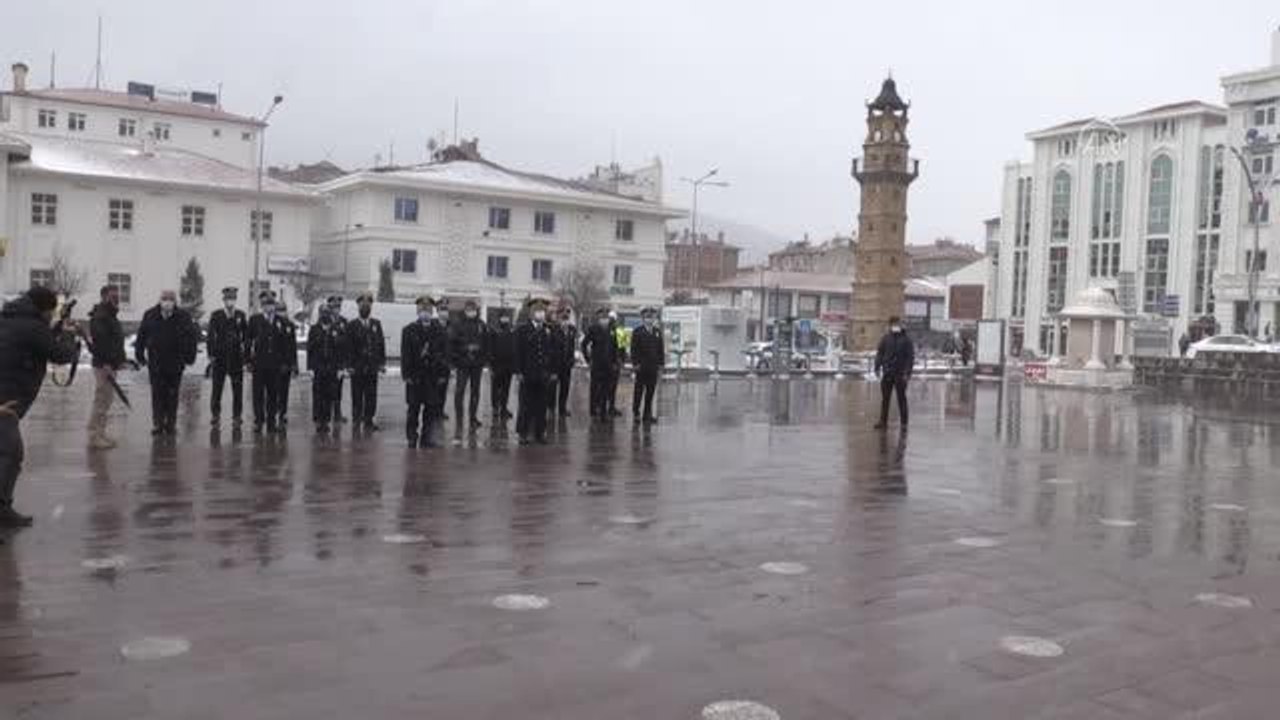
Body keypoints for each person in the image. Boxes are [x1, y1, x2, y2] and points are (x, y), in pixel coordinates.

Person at [0, 287, 81, 527]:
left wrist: (54, 330)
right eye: (51, 310)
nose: (51, 314)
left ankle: (3, 508)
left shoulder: (12, 319)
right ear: (43, 308)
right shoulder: (32, 327)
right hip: (6, 401)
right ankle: (1, 510)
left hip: (6, 398)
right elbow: (60, 354)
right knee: (9, 455)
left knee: (9, 455)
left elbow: (36, 342)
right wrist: (67, 334)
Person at [134, 290, 197, 437]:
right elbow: (141, 336)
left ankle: (170, 424)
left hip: (175, 364)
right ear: (160, 300)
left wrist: (190, 357)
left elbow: (191, 338)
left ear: (175, 302)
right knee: (157, 394)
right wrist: (140, 355)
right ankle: (157, 423)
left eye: (171, 299)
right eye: (165, 299)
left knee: (172, 395)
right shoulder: (150, 315)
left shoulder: (183, 317)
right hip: (156, 363)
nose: (168, 302)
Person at [402, 296, 450, 448]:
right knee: (413, 410)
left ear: (432, 311)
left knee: (430, 410)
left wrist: (443, 374)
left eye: (428, 309)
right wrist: (406, 375)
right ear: (417, 310)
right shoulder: (409, 330)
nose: (425, 312)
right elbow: (405, 355)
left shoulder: (440, 331)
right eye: (422, 309)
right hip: (415, 377)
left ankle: (426, 437)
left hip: (432, 377)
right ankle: (411, 436)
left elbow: (445, 354)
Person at [87, 284, 127, 449]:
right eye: (112, 296)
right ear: (103, 297)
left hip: (110, 364)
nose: (116, 298)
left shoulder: (110, 315)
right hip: (104, 365)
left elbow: (116, 341)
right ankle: (95, 435)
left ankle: (100, 433)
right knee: (102, 400)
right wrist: (107, 363)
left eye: (117, 295)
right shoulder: (101, 316)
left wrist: (120, 359)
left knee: (106, 400)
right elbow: (102, 343)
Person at [247, 293, 291, 433]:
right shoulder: (255, 320)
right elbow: (248, 342)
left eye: (271, 304)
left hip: (275, 365)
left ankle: (271, 421)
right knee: (258, 394)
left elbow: (285, 344)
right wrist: (247, 360)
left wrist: (285, 362)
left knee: (273, 394)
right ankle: (258, 421)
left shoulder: (281, 321)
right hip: (259, 364)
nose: (269, 307)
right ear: (262, 306)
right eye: (266, 304)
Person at [206, 286, 249, 427]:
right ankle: (215, 415)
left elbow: (246, 336)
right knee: (217, 389)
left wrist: (245, 354)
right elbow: (211, 336)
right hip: (220, 357)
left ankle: (237, 416)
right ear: (224, 300)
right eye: (228, 299)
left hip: (236, 358)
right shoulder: (216, 315)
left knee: (238, 390)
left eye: (233, 298)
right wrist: (211, 354)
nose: (230, 301)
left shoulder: (240, 315)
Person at [516, 298, 555, 444]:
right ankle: (523, 433)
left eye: (543, 312)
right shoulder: (523, 329)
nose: (541, 314)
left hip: (542, 374)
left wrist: (550, 371)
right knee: (525, 405)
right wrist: (519, 371)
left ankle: (540, 433)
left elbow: (551, 352)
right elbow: (518, 352)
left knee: (541, 405)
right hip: (527, 373)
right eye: (538, 312)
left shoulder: (547, 330)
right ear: (532, 313)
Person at [346, 293, 385, 431]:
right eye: (363, 305)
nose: (365, 307)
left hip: (372, 366)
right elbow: (348, 347)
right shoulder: (351, 325)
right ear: (358, 307)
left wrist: (381, 363)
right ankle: (357, 419)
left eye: (368, 305)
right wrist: (349, 365)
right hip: (357, 367)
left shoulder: (376, 324)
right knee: (357, 395)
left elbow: (380, 344)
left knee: (371, 394)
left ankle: (369, 419)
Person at [307, 304, 347, 433]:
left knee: (329, 395)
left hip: (332, 367)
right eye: (322, 312)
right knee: (318, 395)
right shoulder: (314, 329)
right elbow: (310, 350)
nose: (325, 315)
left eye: (326, 312)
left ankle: (326, 420)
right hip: (318, 367)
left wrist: (341, 368)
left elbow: (341, 350)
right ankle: (319, 420)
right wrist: (310, 368)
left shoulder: (336, 329)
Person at [449, 299, 488, 429]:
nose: (471, 312)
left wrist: (480, 352)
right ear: (465, 310)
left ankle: (473, 418)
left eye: (473, 310)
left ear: (476, 311)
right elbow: (453, 343)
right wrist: (466, 348)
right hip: (462, 363)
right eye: (469, 310)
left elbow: (487, 343)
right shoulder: (458, 324)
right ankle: (459, 418)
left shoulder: (481, 324)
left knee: (475, 392)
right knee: (459, 391)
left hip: (477, 364)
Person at [873, 316, 915, 431]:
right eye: (893, 324)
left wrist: (907, 372)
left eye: (897, 323)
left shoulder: (906, 340)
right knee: (885, 398)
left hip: (900, 374)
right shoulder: (886, 338)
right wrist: (877, 367)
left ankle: (904, 422)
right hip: (888, 372)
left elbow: (910, 358)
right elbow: (880, 353)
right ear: (890, 325)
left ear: (901, 325)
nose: (895, 326)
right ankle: (883, 421)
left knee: (901, 398)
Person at [581, 308, 619, 421]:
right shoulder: (593, 329)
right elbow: (584, 344)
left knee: (605, 389)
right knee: (594, 388)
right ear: (598, 318)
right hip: (597, 364)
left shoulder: (612, 330)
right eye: (602, 317)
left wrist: (615, 361)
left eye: (606, 317)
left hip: (608, 365)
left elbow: (615, 347)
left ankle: (603, 412)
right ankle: (593, 410)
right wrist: (588, 359)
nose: (604, 319)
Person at [630, 307, 665, 425]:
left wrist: (661, 364)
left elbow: (660, 349)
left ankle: (647, 415)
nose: (649, 319)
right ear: (643, 318)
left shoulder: (657, 331)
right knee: (639, 392)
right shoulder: (637, 332)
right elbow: (633, 349)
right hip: (641, 367)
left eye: (651, 317)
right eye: (647, 317)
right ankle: (636, 413)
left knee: (650, 392)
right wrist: (635, 364)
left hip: (653, 367)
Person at [323, 295, 350, 423]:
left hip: (339, 362)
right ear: (330, 308)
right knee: (327, 389)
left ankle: (337, 413)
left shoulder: (344, 322)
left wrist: (345, 364)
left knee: (338, 389)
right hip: (328, 361)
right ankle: (327, 414)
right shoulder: (325, 321)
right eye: (334, 307)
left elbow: (347, 342)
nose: (336, 309)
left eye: (338, 307)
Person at [488, 310, 517, 421]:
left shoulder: (511, 330)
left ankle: (504, 408)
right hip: (497, 364)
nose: (505, 319)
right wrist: (491, 364)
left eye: (506, 317)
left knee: (506, 388)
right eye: (503, 317)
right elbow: (490, 347)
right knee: (495, 388)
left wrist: (514, 365)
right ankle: (495, 408)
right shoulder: (494, 330)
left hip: (508, 365)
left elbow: (514, 347)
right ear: (499, 318)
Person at [276, 299, 299, 428]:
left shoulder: (290, 325)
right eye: (280, 310)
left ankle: (283, 413)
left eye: (283, 310)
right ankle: (274, 412)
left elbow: (293, 346)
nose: (282, 313)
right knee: (274, 391)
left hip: (287, 364)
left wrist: (294, 365)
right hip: (275, 365)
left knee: (284, 391)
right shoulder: (273, 324)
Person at [552, 307, 577, 418]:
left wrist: (572, 360)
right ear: (559, 317)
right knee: (552, 388)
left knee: (565, 387)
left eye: (567, 315)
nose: (565, 318)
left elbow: (572, 346)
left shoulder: (572, 330)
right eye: (563, 316)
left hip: (567, 364)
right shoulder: (554, 329)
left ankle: (562, 409)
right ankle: (551, 408)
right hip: (555, 364)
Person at [608, 310, 628, 417]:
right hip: (608, 363)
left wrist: (622, 361)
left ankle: (611, 406)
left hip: (615, 363)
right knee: (607, 386)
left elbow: (623, 348)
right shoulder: (604, 330)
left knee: (612, 386)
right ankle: (605, 407)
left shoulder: (620, 331)